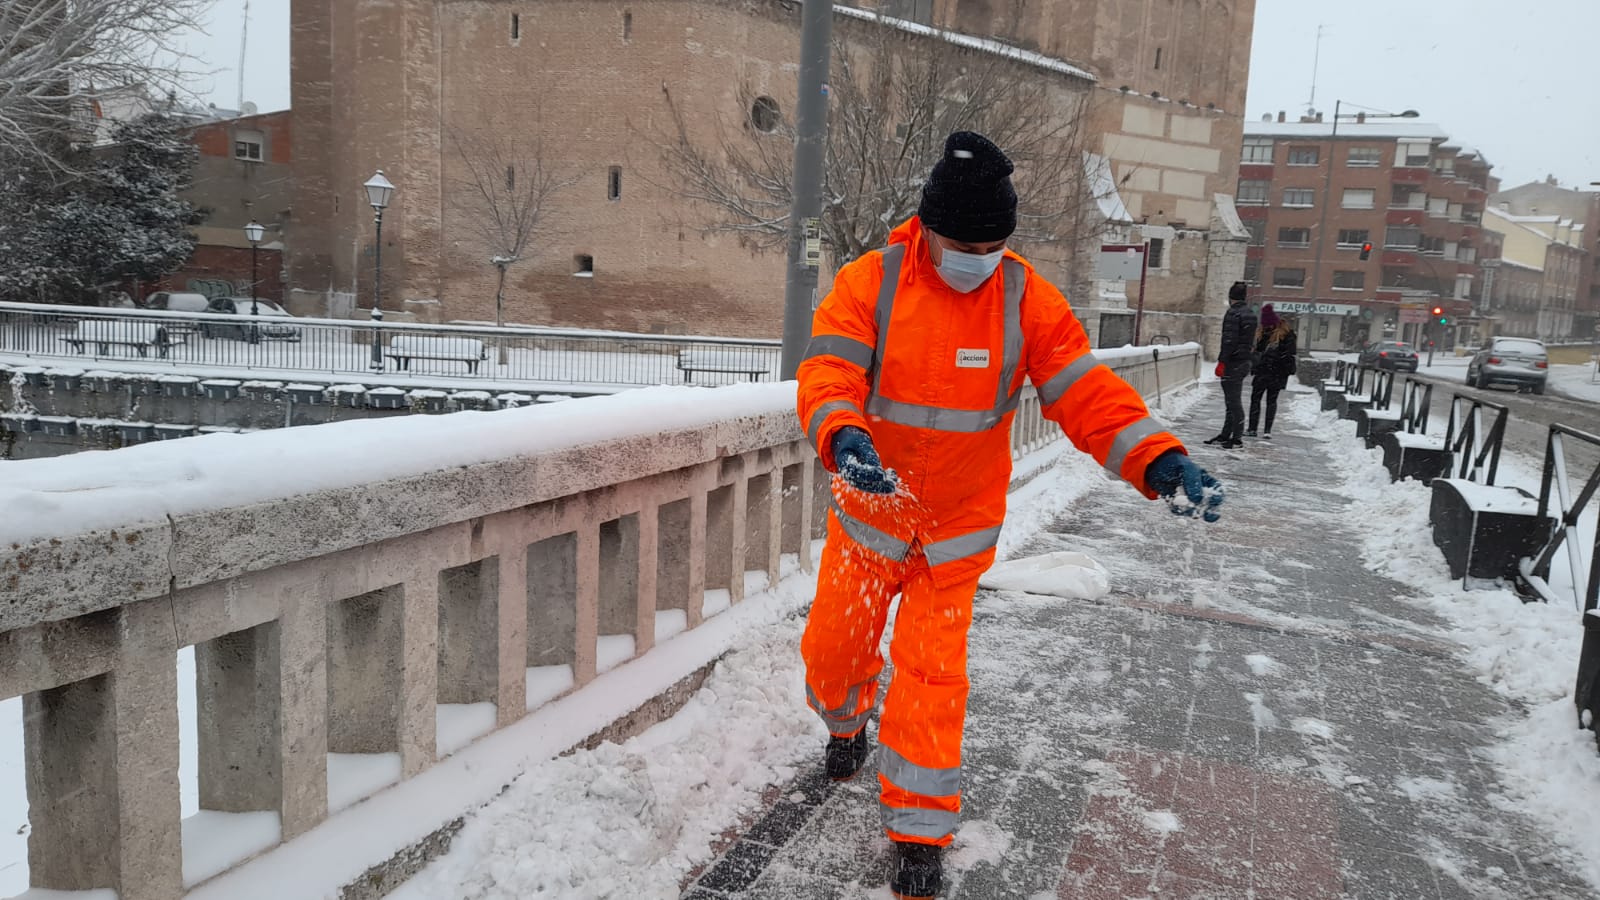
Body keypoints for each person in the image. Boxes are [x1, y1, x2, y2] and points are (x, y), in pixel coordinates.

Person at [795, 131, 1225, 900]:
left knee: (932, 674)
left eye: (991, 245)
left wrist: (1156, 457)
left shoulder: (1027, 298)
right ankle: (845, 720)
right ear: (927, 228)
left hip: (954, 536)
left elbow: (1085, 392)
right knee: (833, 651)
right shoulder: (872, 282)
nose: (976, 257)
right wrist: (842, 431)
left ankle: (919, 831)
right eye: (963, 243)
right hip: (870, 522)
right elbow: (829, 366)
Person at [1205, 281, 1257, 449]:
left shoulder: (1233, 314)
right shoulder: (1250, 313)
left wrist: (1222, 361)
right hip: (1244, 361)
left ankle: (1236, 437)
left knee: (1233, 401)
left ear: (1230, 297)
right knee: (1232, 400)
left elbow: (1229, 340)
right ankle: (1227, 434)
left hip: (1233, 362)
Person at [1245, 304, 1297, 439]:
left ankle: (1258, 429)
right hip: (1271, 372)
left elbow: (1288, 354)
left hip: (1271, 371)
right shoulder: (1268, 332)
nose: (1266, 327)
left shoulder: (1283, 334)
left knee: (1262, 400)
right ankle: (1260, 429)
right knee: (1266, 400)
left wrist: (1266, 357)